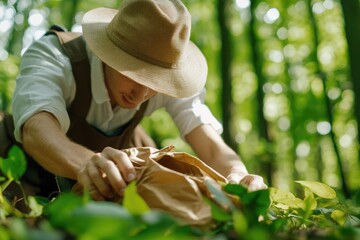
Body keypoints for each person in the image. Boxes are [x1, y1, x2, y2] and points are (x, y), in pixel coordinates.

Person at [11, 0, 267, 202]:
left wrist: (239, 174)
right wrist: (86, 164)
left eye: (155, 81)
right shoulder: (56, 55)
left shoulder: (167, 77)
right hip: (22, 176)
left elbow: (211, 147)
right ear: (108, 51)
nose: (142, 94)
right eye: (133, 72)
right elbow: (36, 128)